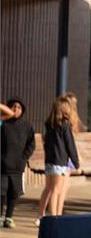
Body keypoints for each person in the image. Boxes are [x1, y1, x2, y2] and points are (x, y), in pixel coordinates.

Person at [37, 96, 80, 224]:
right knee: (56, 190)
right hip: (60, 162)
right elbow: (70, 144)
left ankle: (43, 215)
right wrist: (76, 161)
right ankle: (54, 217)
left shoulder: (50, 125)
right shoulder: (65, 126)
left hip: (49, 161)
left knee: (49, 188)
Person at [1, 99, 35, 228]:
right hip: (3, 166)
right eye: (13, 107)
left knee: (13, 193)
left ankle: (9, 217)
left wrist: (24, 158)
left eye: (19, 107)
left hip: (17, 167)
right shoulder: (2, 124)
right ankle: (0, 217)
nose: (16, 109)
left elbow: (31, 143)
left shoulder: (26, 126)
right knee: (1, 193)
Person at [58, 92, 85, 216]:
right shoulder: (69, 119)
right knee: (61, 187)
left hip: (65, 154)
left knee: (61, 186)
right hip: (66, 155)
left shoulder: (69, 118)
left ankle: (58, 208)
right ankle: (58, 209)